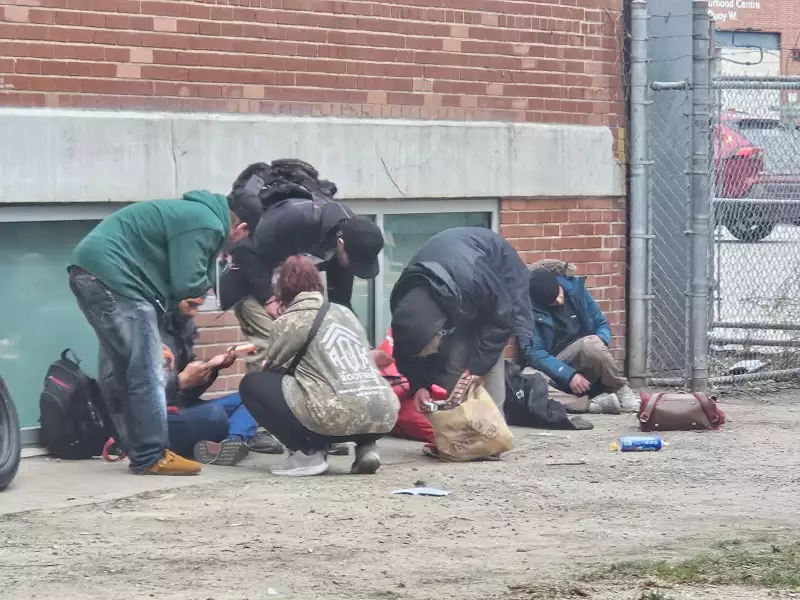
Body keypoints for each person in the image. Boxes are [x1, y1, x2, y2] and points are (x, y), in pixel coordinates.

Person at [68, 191, 249, 475]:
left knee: (127, 364)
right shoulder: (207, 222)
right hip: (116, 277)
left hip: (94, 271)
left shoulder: (190, 215)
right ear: (241, 228)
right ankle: (151, 455)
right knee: (145, 368)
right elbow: (189, 281)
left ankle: (140, 451)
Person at [238, 255, 400, 477]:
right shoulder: (345, 312)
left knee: (254, 384)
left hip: (332, 417)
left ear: (282, 289)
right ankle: (367, 447)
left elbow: (274, 369)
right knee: (354, 387)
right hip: (383, 413)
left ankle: (306, 454)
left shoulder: (289, 321)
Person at [389, 227, 534, 411]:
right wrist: (419, 386)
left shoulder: (474, 280)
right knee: (451, 366)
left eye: (426, 350)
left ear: (437, 332)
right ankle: (460, 420)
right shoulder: (405, 308)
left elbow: (501, 319)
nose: (427, 354)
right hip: (454, 286)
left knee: (486, 364)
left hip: (496, 278)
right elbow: (408, 352)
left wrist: (477, 367)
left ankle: (493, 422)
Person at [220, 159, 384, 312]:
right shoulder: (294, 219)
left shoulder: (350, 237)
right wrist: (268, 299)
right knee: (262, 316)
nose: (353, 267)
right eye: (354, 262)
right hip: (253, 253)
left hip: (284, 262)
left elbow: (341, 301)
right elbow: (247, 248)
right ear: (341, 244)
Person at [159, 297, 283, 465]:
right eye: (191, 305)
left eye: (198, 306)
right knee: (213, 415)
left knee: (253, 395)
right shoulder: (150, 332)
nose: (195, 313)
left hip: (183, 407)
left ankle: (231, 443)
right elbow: (133, 393)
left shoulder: (184, 329)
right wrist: (179, 382)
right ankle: (230, 436)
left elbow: (187, 391)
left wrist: (213, 367)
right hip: (158, 418)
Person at [518, 269, 639, 414]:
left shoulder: (576, 291)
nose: (559, 301)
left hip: (584, 358)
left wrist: (599, 343)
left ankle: (620, 388)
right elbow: (534, 353)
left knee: (591, 344)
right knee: (528, 380)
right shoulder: (526, 310)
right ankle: (593, 404)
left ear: (558, 285)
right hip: (554, 364)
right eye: (551, 303)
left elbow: (601, 324)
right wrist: (568, 375)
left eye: (558, 295)